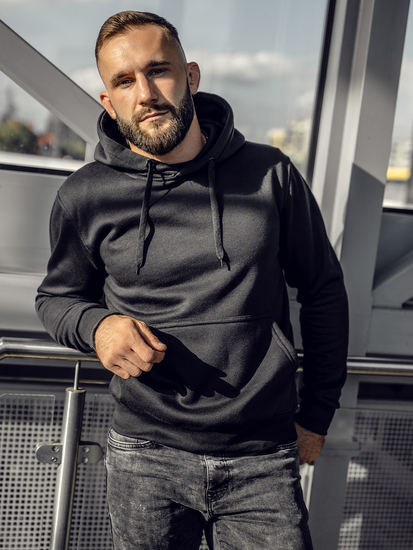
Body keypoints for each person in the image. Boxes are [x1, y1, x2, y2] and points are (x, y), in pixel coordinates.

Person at [36, 10, 348, 550]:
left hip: (262, 456)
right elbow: (56, 299)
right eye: (124, 81)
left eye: (159, 70)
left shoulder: (271, 175)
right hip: (144, 457)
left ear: (191, 76)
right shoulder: (84, 196)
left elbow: (323, 291)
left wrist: (317, 415)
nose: (145, 94)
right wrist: (98, 327)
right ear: (108, 101)